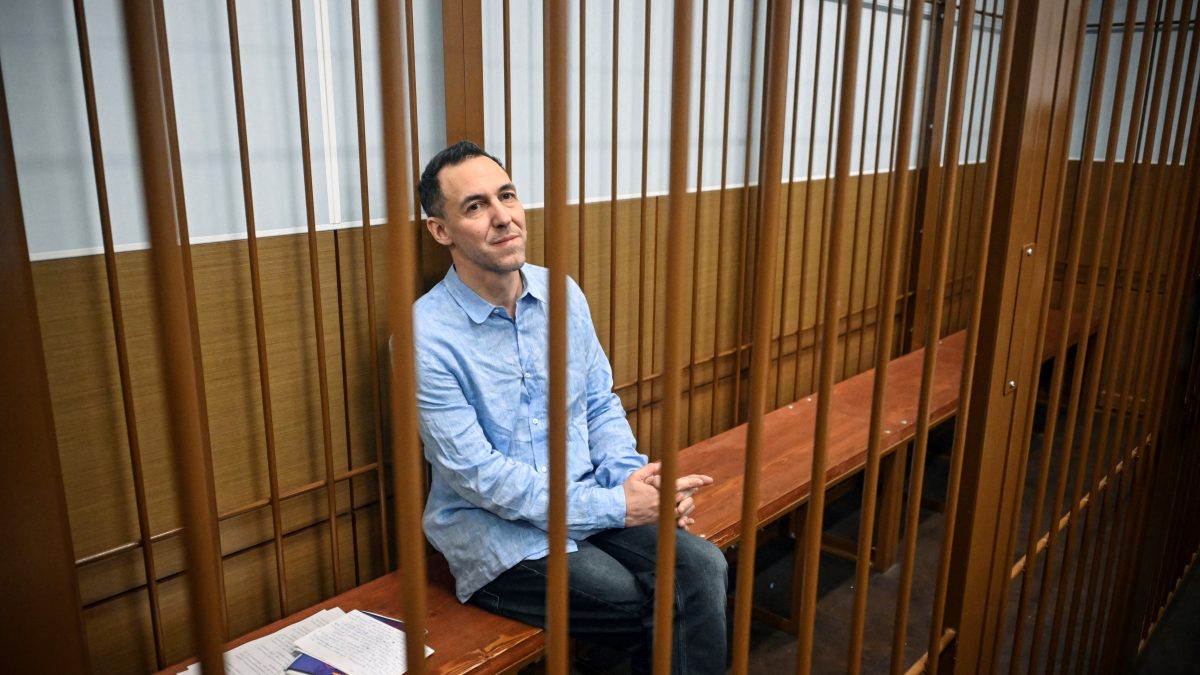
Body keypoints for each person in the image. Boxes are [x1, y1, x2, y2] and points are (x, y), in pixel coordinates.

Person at [412, 140, 728, 674]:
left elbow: (599, 405)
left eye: (506, 196)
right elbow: (478, 476)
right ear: (440, 231)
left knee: (703, 567)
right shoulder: (426, 335)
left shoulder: (561, 294)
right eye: (475, 206)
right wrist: (617, 507)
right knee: (642, 597)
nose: (502, 217)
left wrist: (636, 487)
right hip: (498, 533)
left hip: (589, 496)